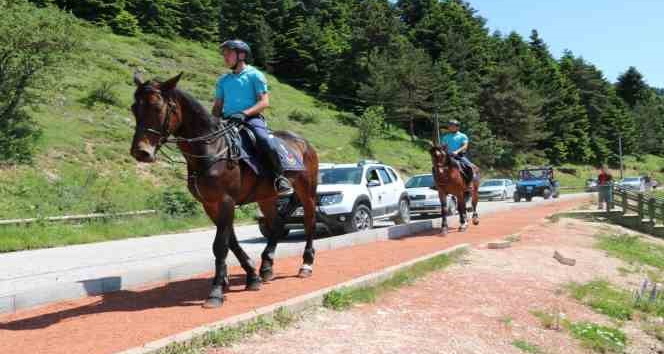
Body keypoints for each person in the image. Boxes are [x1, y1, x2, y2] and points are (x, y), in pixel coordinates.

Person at [212, 39, 293, 195]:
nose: (225, 57)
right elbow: (217, 107)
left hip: (251, 119)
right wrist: (212, 122)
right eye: (224, 54)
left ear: (241, 55)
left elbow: (264, 102)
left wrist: (243, 113)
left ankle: (280, 178)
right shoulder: (223, 80)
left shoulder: (255, 75)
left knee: (265, 140)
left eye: (229, 54)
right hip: (227, 121)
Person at [439, 119, 474, 184]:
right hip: (448, 156)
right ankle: (437, 184)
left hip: (459, 155)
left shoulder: (462, 136)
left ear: (457, 127)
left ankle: (469, 184)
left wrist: (457, 151)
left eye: (452, 126)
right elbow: (443, 146)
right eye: (449, 126)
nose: (450, 127)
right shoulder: (445, 137)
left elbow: (464, 146)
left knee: (469, 166)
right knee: (437, 166)